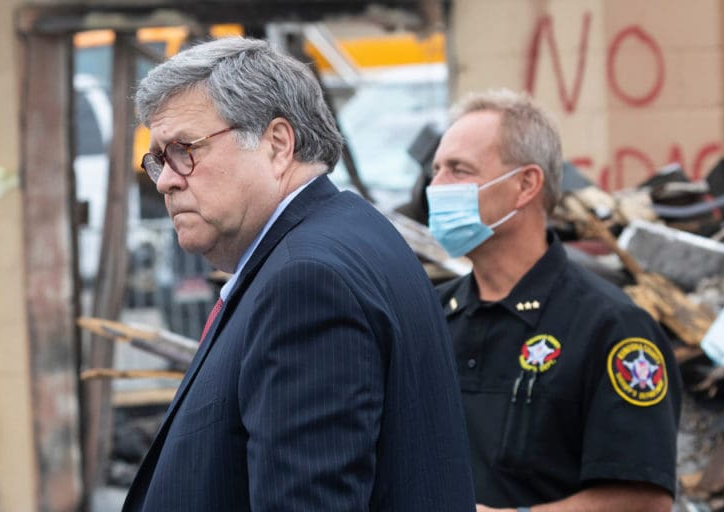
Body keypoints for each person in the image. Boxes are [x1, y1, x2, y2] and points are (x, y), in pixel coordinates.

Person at [122, 37, 476, 511]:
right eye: (159, 159)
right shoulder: (344, 236)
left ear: (278, 144)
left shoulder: (307, 282)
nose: (165, 179)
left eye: (184, 149)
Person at [428, 89, 681, 512]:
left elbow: (643, 500)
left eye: (458, 170)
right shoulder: (430, 316)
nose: (435, 188)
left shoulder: (610, 326)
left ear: (525, 185)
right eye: (436, 170)